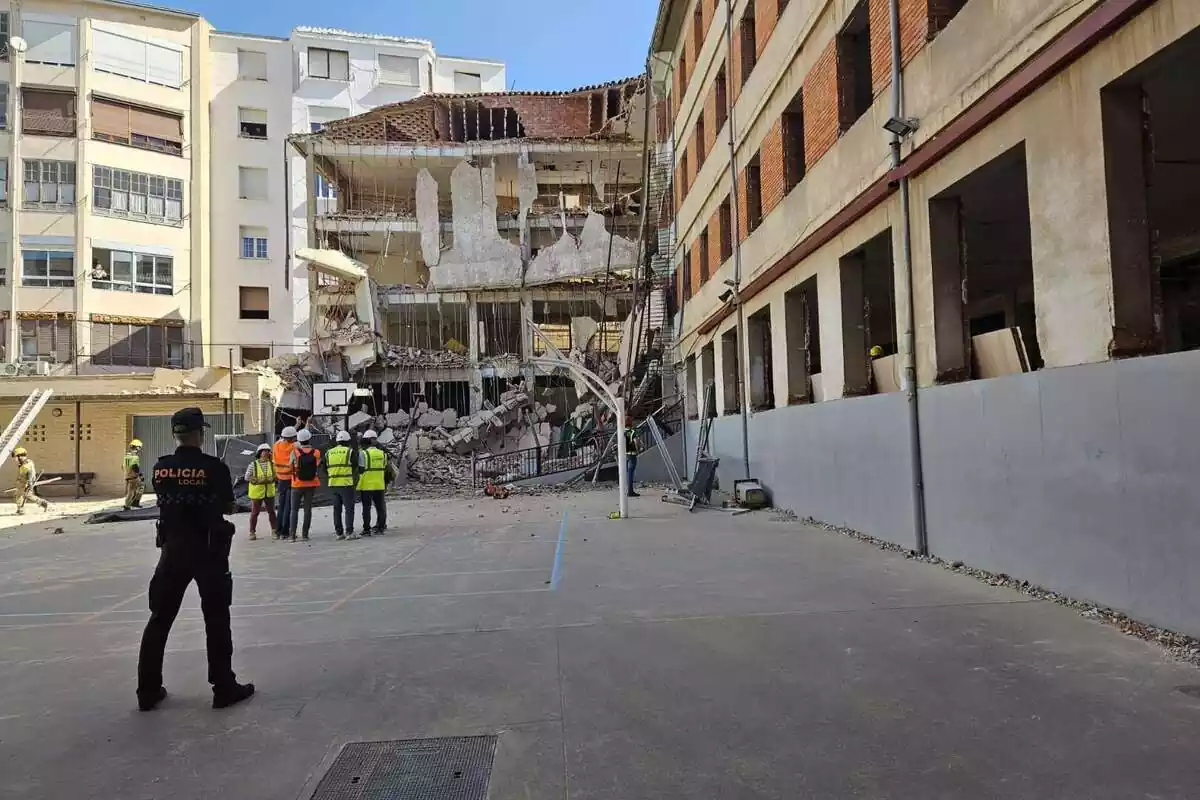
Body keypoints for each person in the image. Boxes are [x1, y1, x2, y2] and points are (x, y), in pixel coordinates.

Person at [136, 407, 254, 712]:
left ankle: (147, 691)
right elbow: (228, 506)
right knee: (216, 617)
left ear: (176, 434)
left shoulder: (161, 468)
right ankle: (223, 686)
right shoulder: (213, 468)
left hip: (172, 551)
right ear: (200, 434)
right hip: (209, 550)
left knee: (159, 619)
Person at [287, 428, 321, 541]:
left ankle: (292, 535)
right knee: (307, 510)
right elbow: (317, 466)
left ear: (299, 440)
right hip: (311, 484)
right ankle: (305, 535)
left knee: (294, 510)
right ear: (309, 439)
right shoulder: (316, 452)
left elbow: (290, 467)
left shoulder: (295, 452)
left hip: (297, 484)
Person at [325, 431, 358, 541]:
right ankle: (349, 532)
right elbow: (354, 466)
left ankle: (339, 533)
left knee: (336, 509)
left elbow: (324, 468)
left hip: (333, 484)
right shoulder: (350, 451)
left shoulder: (329, 453)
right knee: (349, 509)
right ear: (348, 441)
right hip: (346, 484)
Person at [357, 430, 388, 537]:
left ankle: (366, 529)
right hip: (379, 484)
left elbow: (360, 469)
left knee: (366, 508)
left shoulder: (363, 453)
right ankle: (381, 527)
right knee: (380, 507)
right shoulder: (383, 454)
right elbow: (384, 467)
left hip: (366, 485)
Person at [244, 443, 277, 541]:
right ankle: (252, 532)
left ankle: (274, 530)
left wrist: (273, 479)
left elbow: (276, 475)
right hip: (257, 493)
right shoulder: (253, 464)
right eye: (264, 451)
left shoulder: (272, 464)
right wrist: (257, 481)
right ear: (260, 453)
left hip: (269, 492)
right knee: (255, 513)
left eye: (268, 451)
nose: (266, 453)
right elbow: (247, 477)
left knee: (271, 512)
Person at [272, 426, 298, 539]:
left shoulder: (276, 445)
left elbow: (287, 434)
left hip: (280, 479)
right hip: (290, 478)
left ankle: (278, 531)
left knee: (281, 506)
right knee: (288, 506)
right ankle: (285, 532)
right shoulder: (294, 447)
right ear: (292, 438)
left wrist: (295, 426)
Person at [11, 447, 49, 515]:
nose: (15, 459)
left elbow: (30, 474)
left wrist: (30, 483)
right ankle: (42, 503)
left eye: (16, 457)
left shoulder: (26, 465)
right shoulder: (26, 462)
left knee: (19, 495)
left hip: (24, 483)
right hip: (23, 482)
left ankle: (21, 510)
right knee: (28, 495)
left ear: (20, 456)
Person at [123, 439, 145, 510]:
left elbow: (123, 466)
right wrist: (140, 475)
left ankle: (128, 505)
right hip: (133, 476)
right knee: (140, 487)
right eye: (139, 447)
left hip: (128, 476)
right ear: (137, 447)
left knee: (132, 490)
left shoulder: (126, 456)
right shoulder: (135, 457)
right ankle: (133, 503)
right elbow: (135, 467)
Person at [624, 422, 641, 498]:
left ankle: (628, 490)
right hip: (632, 453)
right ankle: (630, 491)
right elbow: (636, 441)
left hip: (626, 454)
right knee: (631, 471)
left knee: (628, 472)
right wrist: (638, 450)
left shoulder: (623, 432)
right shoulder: (631, 431)